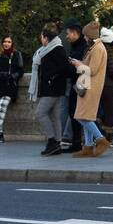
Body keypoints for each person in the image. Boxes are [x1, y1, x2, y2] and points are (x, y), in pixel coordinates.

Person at [29, 23, 80, 156]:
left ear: (46, 38)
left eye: (41, 37)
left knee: (41, 113)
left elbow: (65, 68)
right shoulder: (49, 49)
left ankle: (52, 140)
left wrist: (52, 76)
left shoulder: (56, 49)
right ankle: (56, 143)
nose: (41, 39)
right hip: (53, 87)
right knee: (54, 116)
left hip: (53, 87)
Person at [72, 19, 110, 157]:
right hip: (89, 85)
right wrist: (79, 63)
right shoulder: (96, 47)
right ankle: (88, 146)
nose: (84, 37)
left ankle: (100, 139)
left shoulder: (98, 49)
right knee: (86, 116)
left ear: (90, 35)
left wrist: (78, 65)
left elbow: (92, 70)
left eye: (85, 35)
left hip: (91, 87)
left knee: (81, 117)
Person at [0, 35, 24, 142]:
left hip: (10, 86)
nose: (6, 44)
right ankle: (1, 135)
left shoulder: (17, 55)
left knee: (3, 105)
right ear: (2, 42)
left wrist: (13, 76)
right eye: (5, 41)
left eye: (9, 42)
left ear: (12, 43)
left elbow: (20, 71)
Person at [62, 19, 87, 153]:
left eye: (68, 34)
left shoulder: (83, 47)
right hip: (75, 84)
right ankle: (77, 142)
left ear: (75, 33)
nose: (67, 36)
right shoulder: (77, 46)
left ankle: (83, 142)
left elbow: (84, 67)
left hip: (80, 85)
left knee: (80, 115)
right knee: (74, 114)